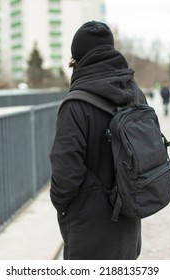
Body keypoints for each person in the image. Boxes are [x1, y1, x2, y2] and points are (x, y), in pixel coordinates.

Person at [49, 21, 145, 260]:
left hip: (88, 230)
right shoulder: (136, 94)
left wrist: (63, 208)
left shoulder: (75, 105)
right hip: (128, 220)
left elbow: (65, 174)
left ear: (77, 61)